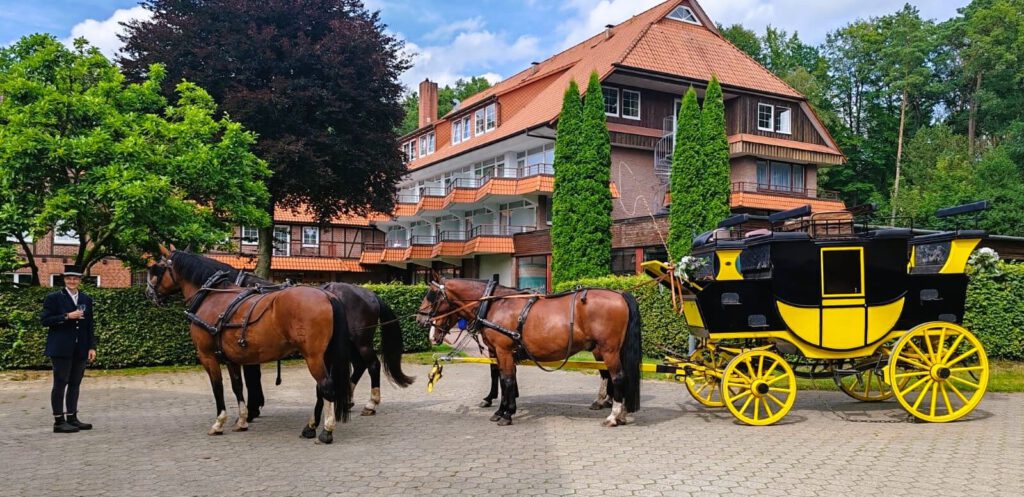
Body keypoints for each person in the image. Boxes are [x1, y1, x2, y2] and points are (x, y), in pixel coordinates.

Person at [40, 266, 96, 433]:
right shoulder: (54, 298)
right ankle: (59, 421)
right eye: (69, 278)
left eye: (76, 278)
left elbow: (89, 325)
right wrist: (66, 316)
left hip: (80, 348)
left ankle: (72, 417)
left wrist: (91, 346)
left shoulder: (86, 299)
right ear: (64, 279)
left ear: (80, 280)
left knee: (75, 383)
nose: (72, 281)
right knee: (60, 383)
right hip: (61, 348)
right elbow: (45, 320)